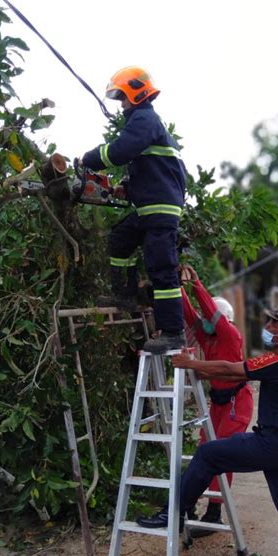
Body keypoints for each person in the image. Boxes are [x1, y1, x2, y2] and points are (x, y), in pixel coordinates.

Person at [143, 304, 278, 556]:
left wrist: (192, 365)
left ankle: (173, 512)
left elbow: (232, 369)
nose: (267, 325)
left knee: (208, 454)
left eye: (273, 324)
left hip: (272, 445)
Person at [137, 265, 254, 537]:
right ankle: (186, 505)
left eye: (211, 317)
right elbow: (191, 316)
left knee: (222, 456)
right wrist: (177, 285)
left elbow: (210, 313)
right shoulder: (208, 334)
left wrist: (197, 283)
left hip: (237, 402)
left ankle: (214, 512)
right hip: (218, 402)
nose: (205, 320)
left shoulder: (230, 335)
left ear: (223, 319)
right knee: (204, 449)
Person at [80, 66, 187, 354]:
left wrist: (87, 159)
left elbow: (120, 151)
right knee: (120, 239)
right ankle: (125, 295)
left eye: (123, 98)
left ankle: (174, 332)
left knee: (161, 268)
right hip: (149, 208)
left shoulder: (144, 118)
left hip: (160, 210)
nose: (122, 105)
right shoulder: (145, 122)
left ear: (136, 93)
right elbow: (149, 167)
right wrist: (126, 187)